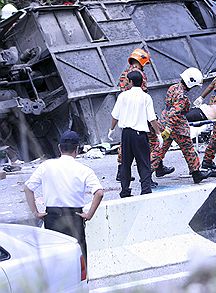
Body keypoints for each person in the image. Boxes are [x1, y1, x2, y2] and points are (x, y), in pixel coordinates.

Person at [23, 130, 104, 267]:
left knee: (54, 259)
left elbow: (28, 188)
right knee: (78, 260)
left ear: (59, 148)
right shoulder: (84, 170)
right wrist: (89, 214)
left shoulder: (46, 166)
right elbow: (99, 193)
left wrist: (36, 212)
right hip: (74, 217)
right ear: (77, 150)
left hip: (52, 217)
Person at [115, 48, 174, 188]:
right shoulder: (139, 75)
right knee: (153, 143)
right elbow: (143, 95)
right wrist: (153, 120)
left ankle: (121, 170)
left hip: (127, 112)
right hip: (141, 115)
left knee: (126, 143)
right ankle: (151, 174)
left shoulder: (124, 74)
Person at [109, 71, 164, 198]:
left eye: (127, 81)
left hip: (126, 134)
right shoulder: (146, 97)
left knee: (125, 163)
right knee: (144, 162)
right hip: (140, 135)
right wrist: (158, 134)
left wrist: (111, 129)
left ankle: (125, 191)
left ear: (131, 82)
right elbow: (152, 118)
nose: (126, 83)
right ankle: (145, 189)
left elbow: (115, 116)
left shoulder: (123, 96)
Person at [151, 68, 211, 184]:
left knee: (159, 149)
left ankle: (146, 175)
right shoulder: (182, 97)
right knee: (188, 149)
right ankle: (196, 173)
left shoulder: (173, 87)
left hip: (165, 120)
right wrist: (169, 128)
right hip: (176, 126)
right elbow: (175, 113)